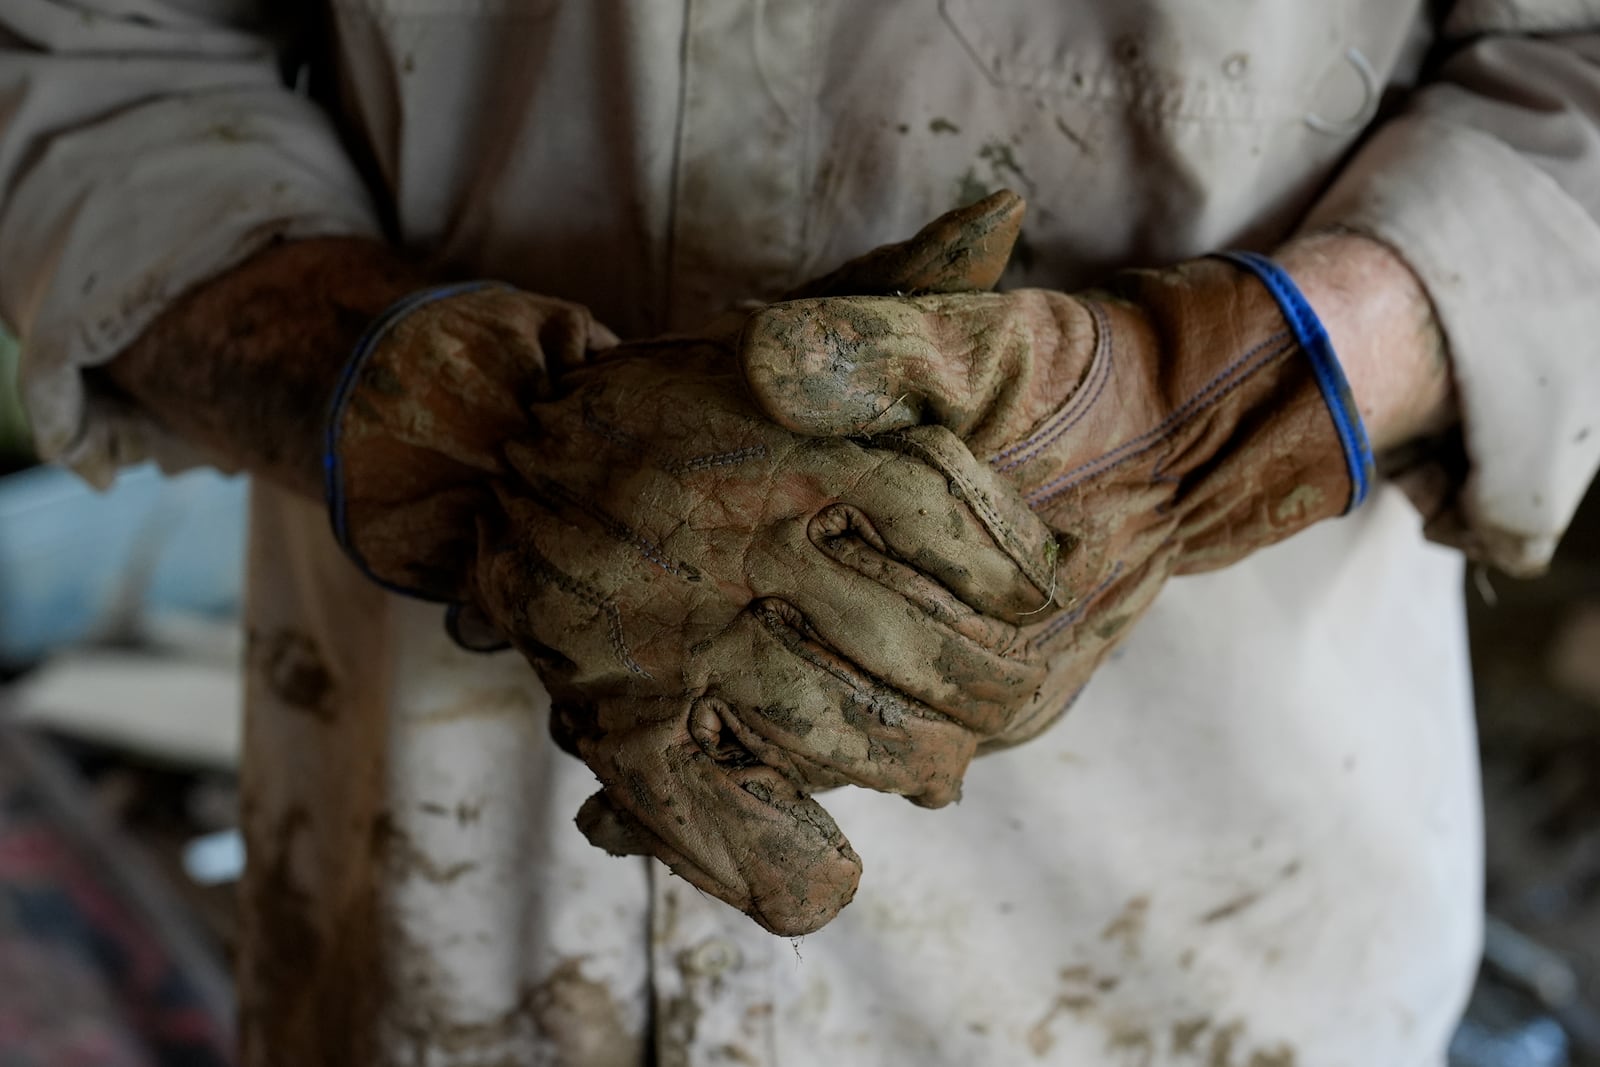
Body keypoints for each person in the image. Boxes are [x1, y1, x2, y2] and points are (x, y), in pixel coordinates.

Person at [3, 2, 1598, 1064]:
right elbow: (89, 49)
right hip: (436, 902)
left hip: (1195, 933)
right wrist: (422, 410)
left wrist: (1210, 402)